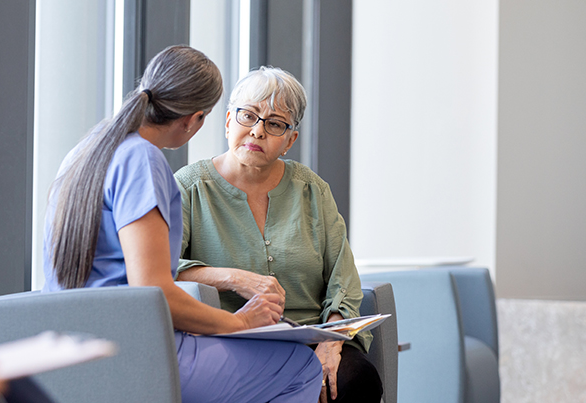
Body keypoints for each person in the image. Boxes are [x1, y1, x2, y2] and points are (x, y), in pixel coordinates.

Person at [42, 45, 322, 403]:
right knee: (300, 366)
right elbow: (152, 290)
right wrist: (240, 322)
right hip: (130, 353)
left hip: (68, 349)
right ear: (196, 119)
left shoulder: (86, 151)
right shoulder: (142, 160)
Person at [174, 66, 383, 403]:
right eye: (248, 116)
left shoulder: (312, 189)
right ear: (228, 121)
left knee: (353, 380)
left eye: (274, 124)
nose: (257, 131)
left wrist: (331, 345)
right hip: (232, 336)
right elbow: (166, 269)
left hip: (310, 337)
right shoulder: (188, 187)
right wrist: (236, 279)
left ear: (290, 139)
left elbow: (342, 279)